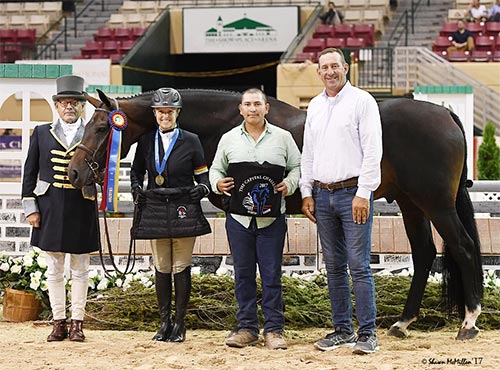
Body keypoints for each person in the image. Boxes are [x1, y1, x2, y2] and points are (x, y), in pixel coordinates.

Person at [299, 48, 382, 355]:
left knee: (359, 266)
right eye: (324, 67)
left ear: (346, 68)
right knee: (334, 267)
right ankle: (343, 330)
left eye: (335, 65)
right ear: (318, 72)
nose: (330, 71)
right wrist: (306, 190)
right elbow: (308, 151)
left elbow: (373, 149)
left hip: (351, 195)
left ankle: (368, 333)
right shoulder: (315, 106)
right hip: (322, 194)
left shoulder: (362, 101)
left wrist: (364, 191)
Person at [209, 88, 301, 350]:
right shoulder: (228, 139)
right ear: (241, 109)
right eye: (247, 104)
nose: (252, 109)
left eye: (257, 104)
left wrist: (290, 183)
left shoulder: (283, 138)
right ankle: (247, 328)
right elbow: (216, 168)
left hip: (272, 221)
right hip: (238, 219)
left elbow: (298, 166)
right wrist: (218, 182)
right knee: (243, 274)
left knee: (272, 275)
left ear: (266, 108)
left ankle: (274, 330)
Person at [130, 87, 210, 343]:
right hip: (155, 208)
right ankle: (164, 322)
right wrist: (135, 188)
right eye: (161, 111)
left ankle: (180, 323)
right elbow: (136, 172)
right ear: (155, 114)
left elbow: (203, 174)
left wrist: (203, 188)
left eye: (170, 111)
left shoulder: (191, 140)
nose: (165, 116)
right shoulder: (145, 141)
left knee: (181, 266)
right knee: (162, 266)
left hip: (183, 206)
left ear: (177, 113)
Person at [22, 75, 98, 342]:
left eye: (75, 102)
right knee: (54, 268)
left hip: (81, 205)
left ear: (82, 107)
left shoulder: (92, 131)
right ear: (56, 106)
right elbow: (29, 172)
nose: (69, 107)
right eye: (64, 102)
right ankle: (58, 321)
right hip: (50, 206)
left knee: (80, 268)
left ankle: (77, 323)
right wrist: (31, 208)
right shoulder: (41, 132)